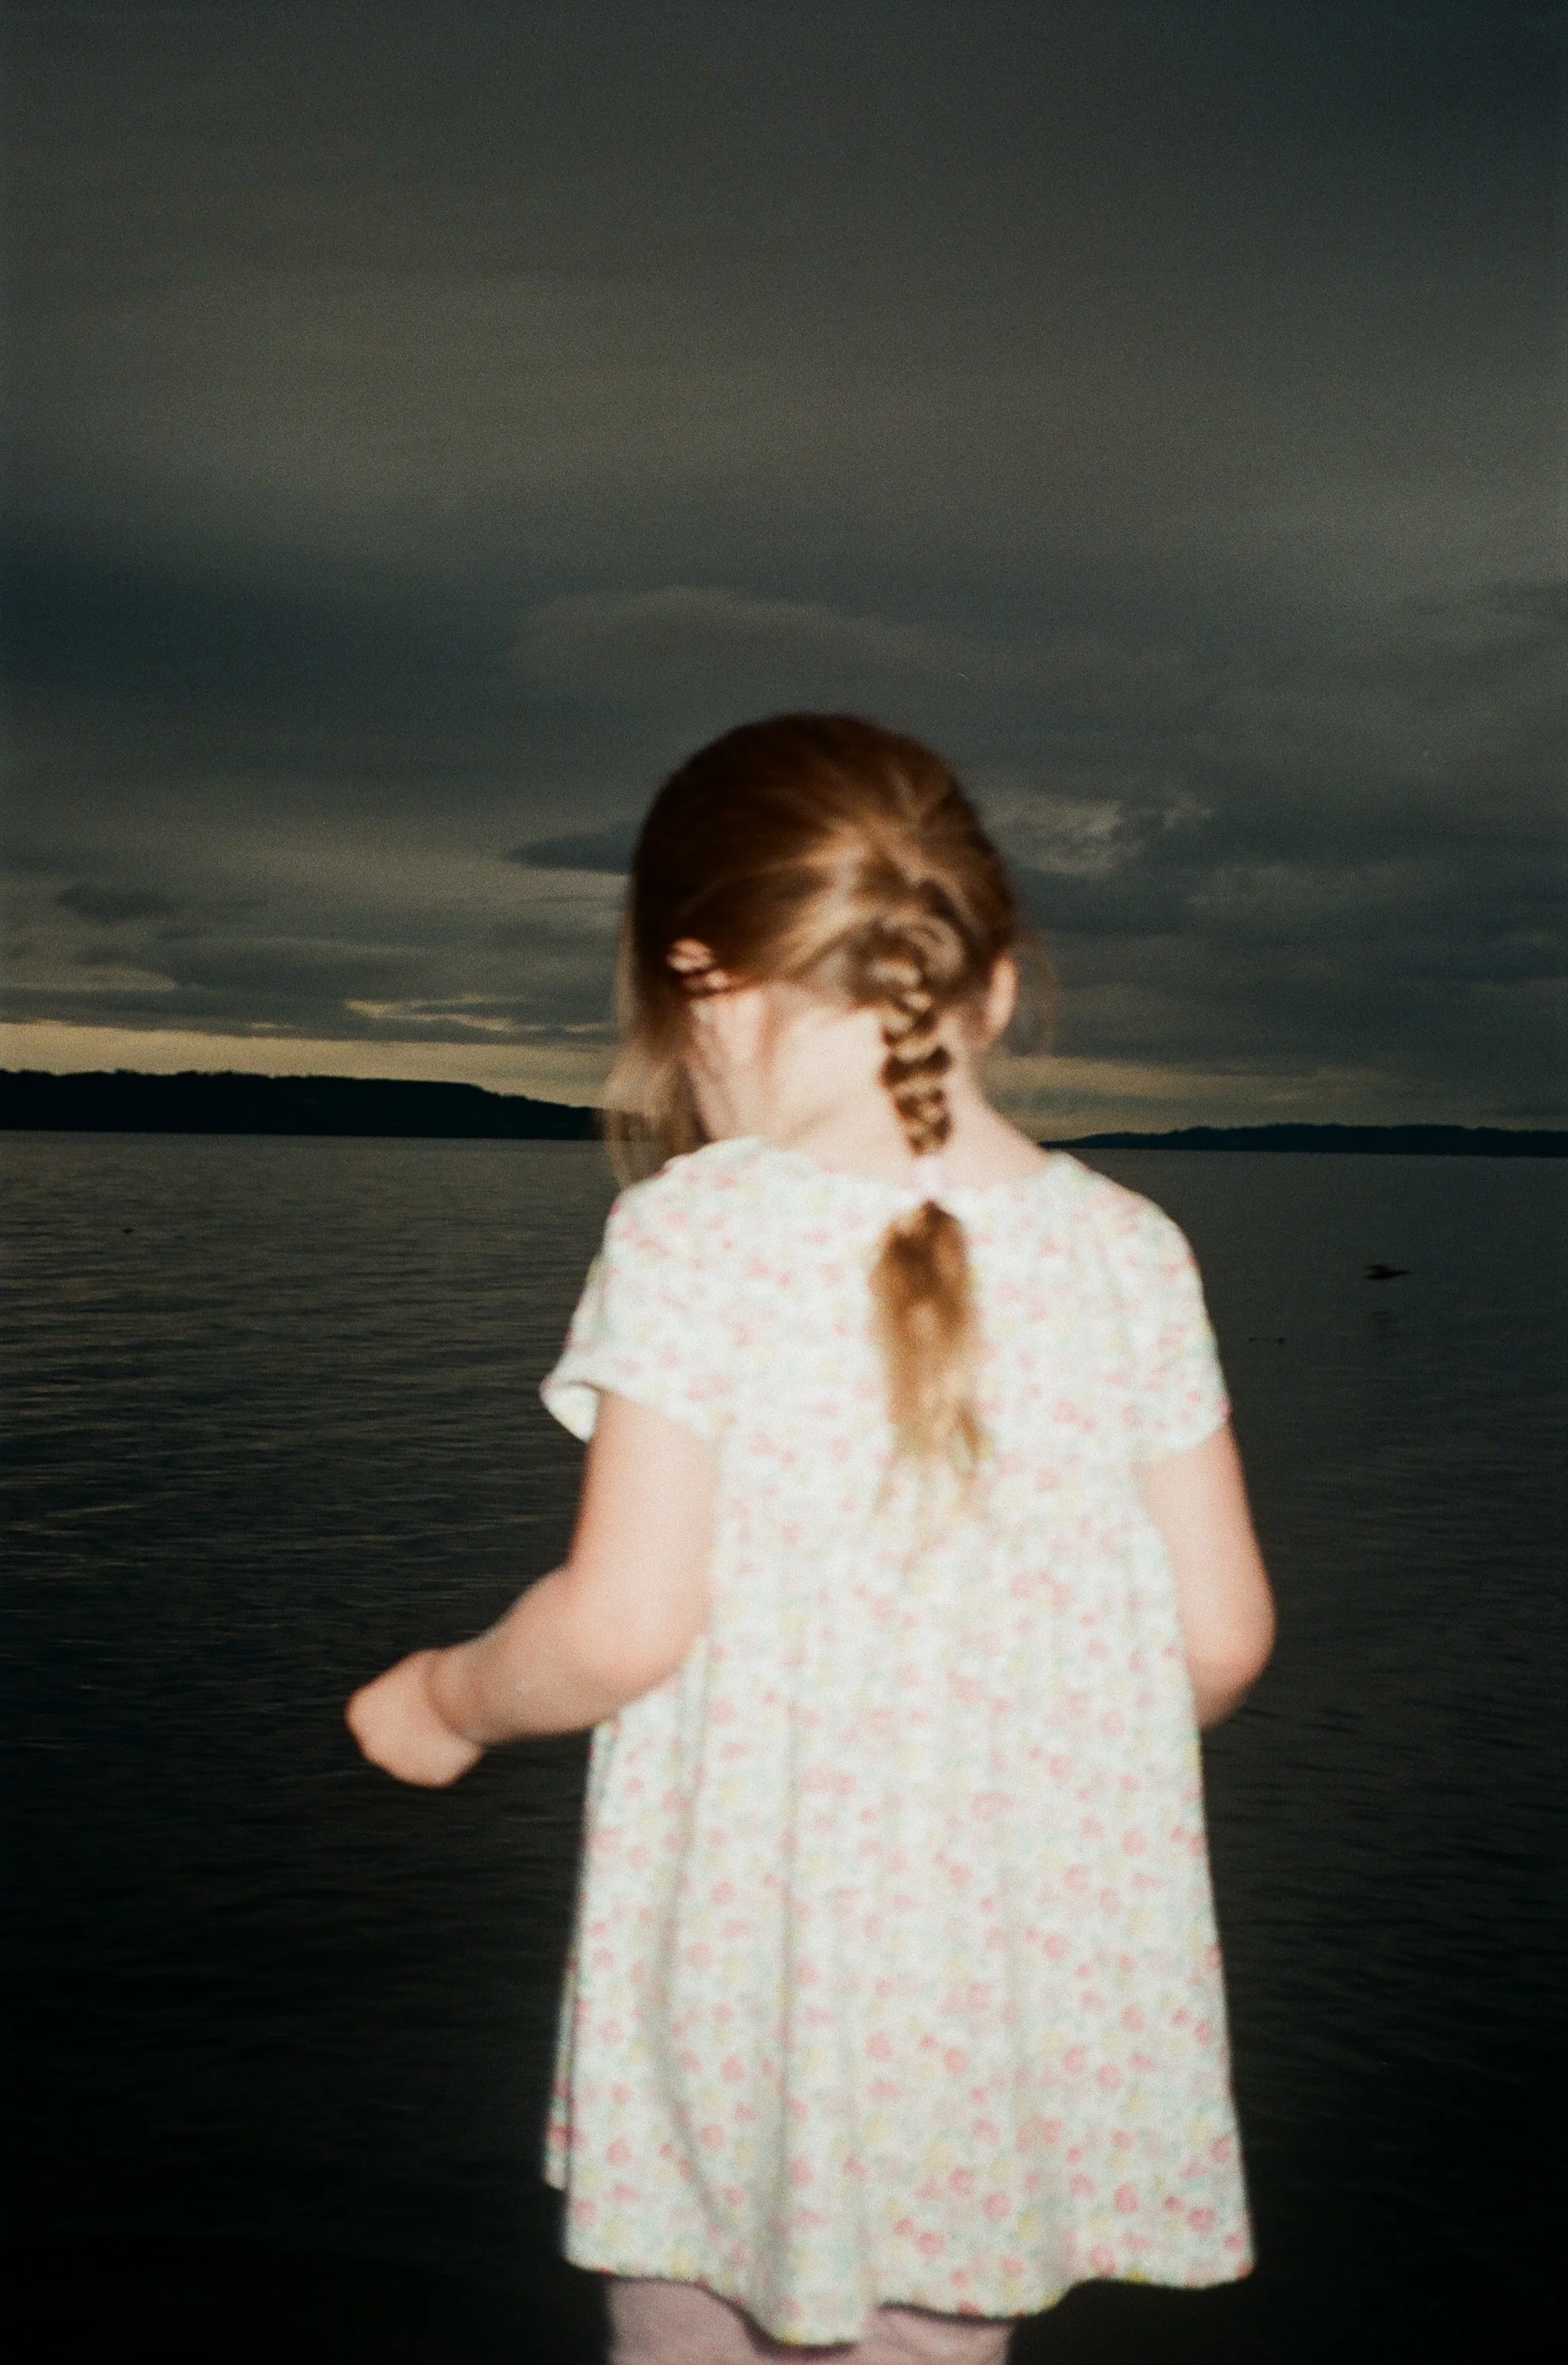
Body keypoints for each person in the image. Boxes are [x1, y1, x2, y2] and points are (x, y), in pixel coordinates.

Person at [348, 714, 1276, 2363]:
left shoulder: (698, 1235)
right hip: (1006, 1995)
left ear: (700, 979)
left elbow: (621, 1621)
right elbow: (1217, 1641)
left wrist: (445, 1696)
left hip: (748, 1975)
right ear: (990, 986)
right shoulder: (1131, 1251)